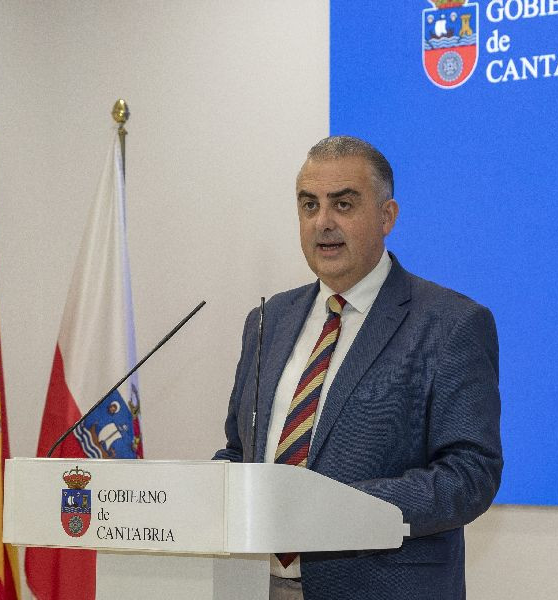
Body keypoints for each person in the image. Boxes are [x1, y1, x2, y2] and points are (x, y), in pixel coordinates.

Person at [214, 136, 502, 600]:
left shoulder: (450, 323)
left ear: (387, 217)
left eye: (343, 204)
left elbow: (470, 475)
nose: (323, 222)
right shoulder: (267, 320)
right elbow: (238, 451)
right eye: (309, 205)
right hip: (255, 586)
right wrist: (198, 492)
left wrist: (339, 509)